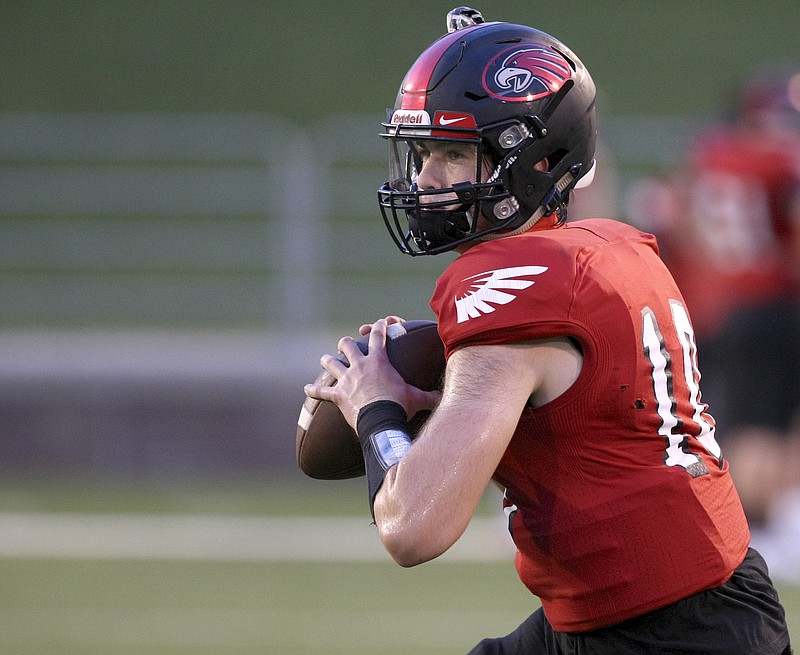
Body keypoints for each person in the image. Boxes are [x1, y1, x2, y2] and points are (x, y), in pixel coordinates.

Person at [304, 8, 792, 654]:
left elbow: (413, 525)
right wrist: (446, 401)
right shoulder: (612, 248)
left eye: (451, 155)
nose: (424, 180)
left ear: (527, 163)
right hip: (669, 607)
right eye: (422, 153)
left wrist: (377, 410)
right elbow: (585, 429)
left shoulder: (516, 292)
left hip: (669, 632)